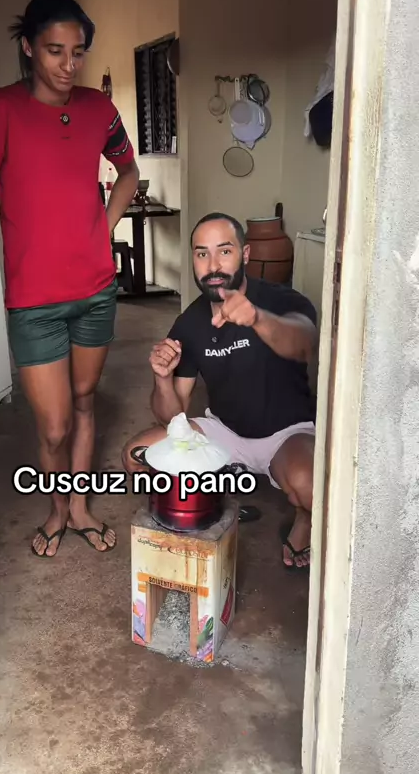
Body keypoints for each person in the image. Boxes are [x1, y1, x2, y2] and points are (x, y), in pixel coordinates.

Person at [0, 0, 139, 558]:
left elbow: (128, 171)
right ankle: (55, 508)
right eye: (55, 51)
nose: (68, 65)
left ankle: (77, 508)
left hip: (96, 290)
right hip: (35, 302)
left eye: (78, 52)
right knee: (53, 425)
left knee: (85, 400)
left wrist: (102, 227)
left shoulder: (99, 109)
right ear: (28, 47)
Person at [122, 212, 318, 569]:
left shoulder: (282, 300)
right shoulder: (190, 322)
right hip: (225, 431)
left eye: (224, 251)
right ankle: (209, 500)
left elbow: (303, 342)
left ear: (246, 254)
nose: (213, 265)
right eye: (202, 253)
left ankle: (304, 521)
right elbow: (173, 418)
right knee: (138, 456)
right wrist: (162, 377)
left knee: (312, 487)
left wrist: (257, 319)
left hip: (286, 434)